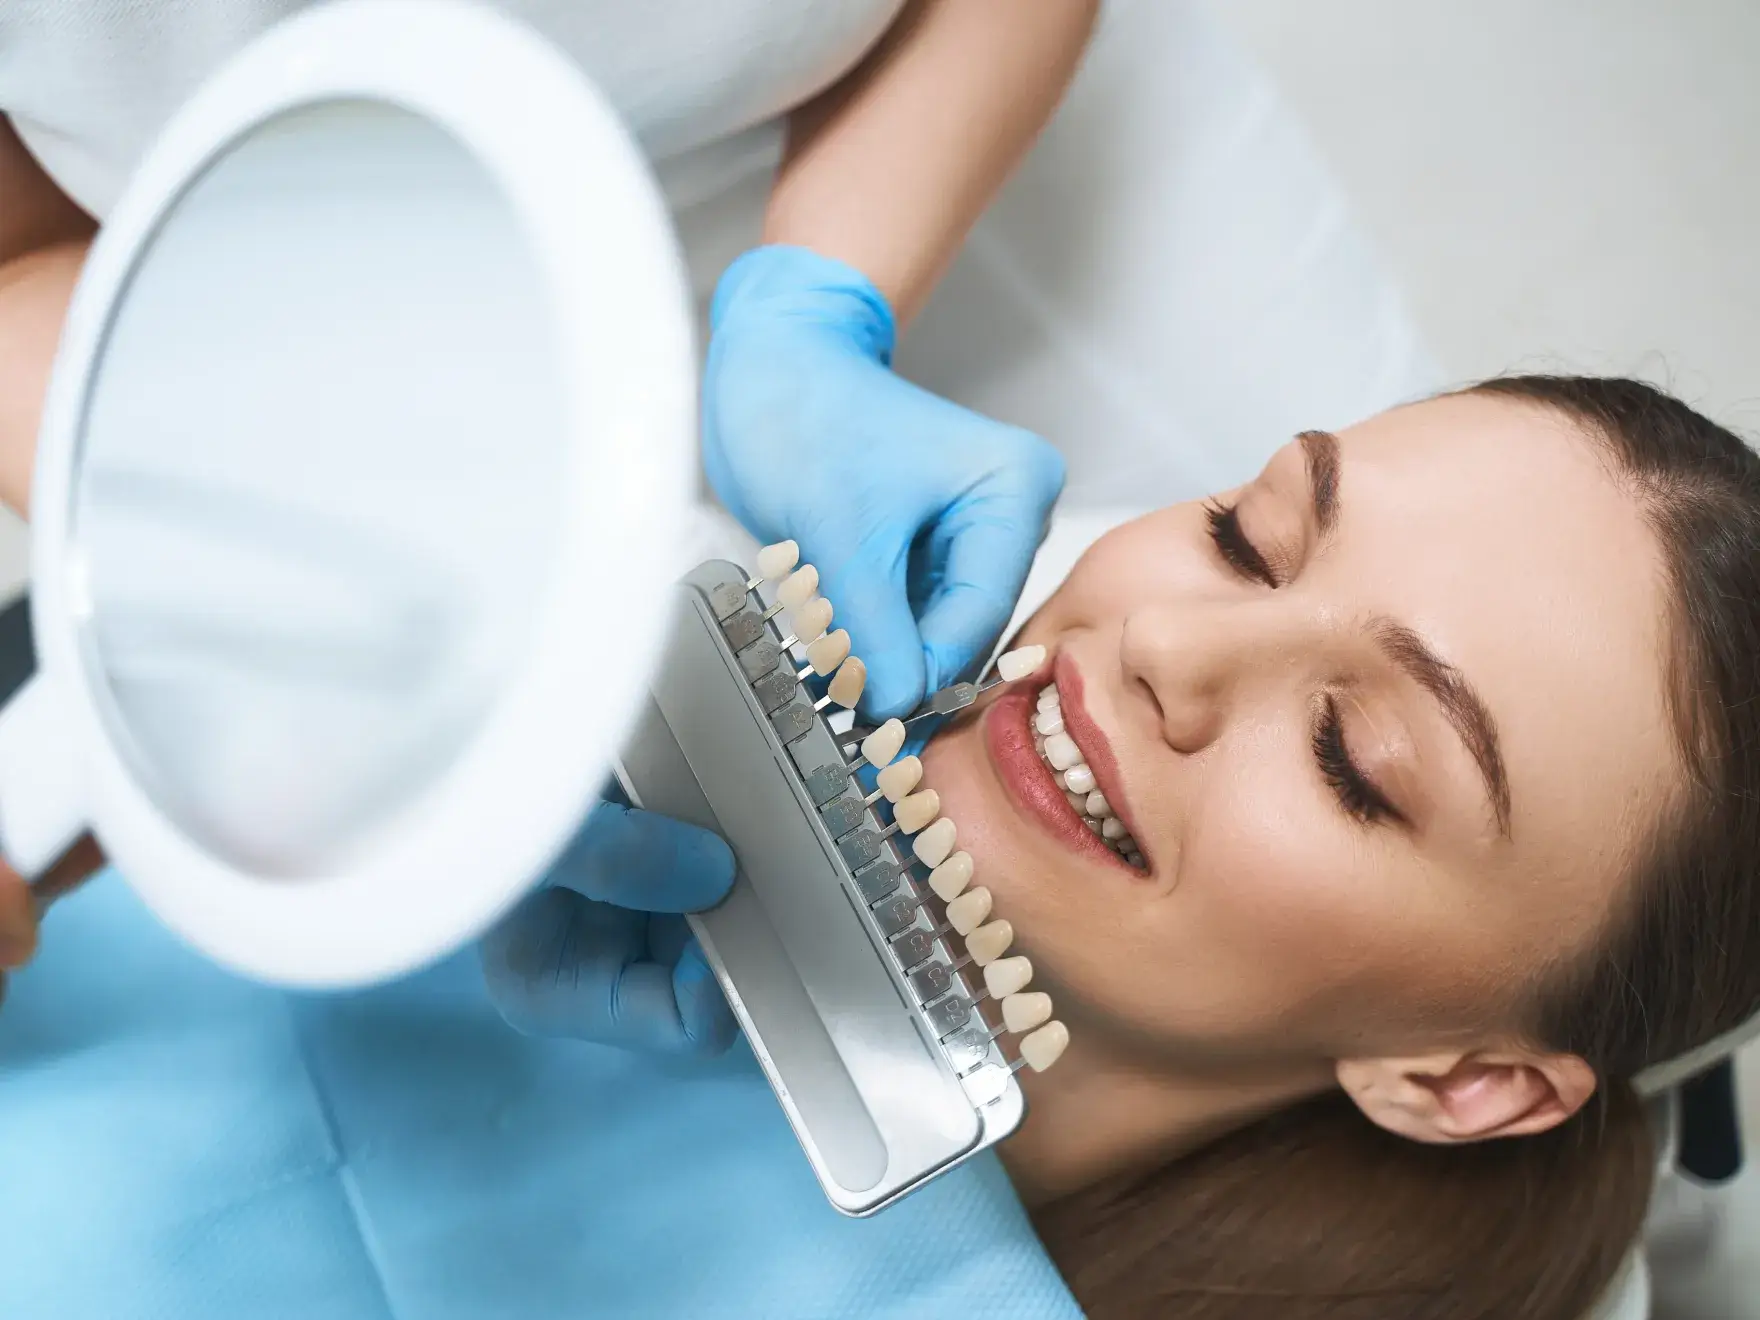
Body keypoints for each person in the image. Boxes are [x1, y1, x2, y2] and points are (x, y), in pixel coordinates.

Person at [6, 375, 1756, 1320]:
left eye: (1358, 761)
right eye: (1247, 532)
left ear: (1460, 1079)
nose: (1167, 646)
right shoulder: (532, 692)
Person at [0, 0, 1100, 1016]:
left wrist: (813, 305)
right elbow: (19, 266)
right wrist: (324, 539)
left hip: (976, 175)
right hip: (345, 394)